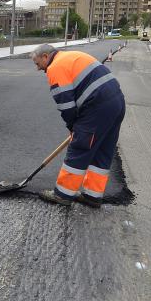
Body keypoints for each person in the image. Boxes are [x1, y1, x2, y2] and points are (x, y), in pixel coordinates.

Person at [31, 44, 126, 208]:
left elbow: (66, 106)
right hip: (117, 103)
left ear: (45, 56)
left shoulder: (55, 67)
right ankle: (93, 196)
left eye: (37, 63)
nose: (37, 68)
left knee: (80, 147)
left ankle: (63, 194)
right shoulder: (71, 56)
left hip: (98, 107)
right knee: (102, 150)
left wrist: (74, 128)